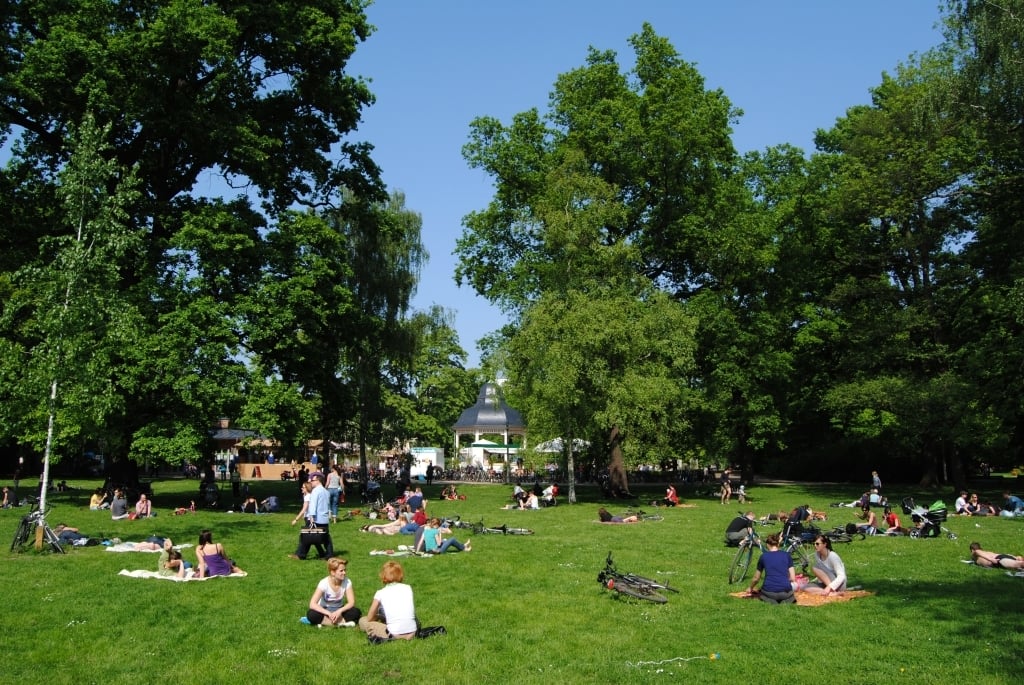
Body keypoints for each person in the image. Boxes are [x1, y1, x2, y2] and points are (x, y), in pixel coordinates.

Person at [358, 560, 418, 641]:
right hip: (413, 632)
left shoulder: (380, 593)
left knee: (364, 621)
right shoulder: (408, 588)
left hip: (393, 634)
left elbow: (369, 618)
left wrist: (376, 617)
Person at [304, 557, 362, 627]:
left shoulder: (347, 582)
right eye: (341, 571)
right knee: (311, 614)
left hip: (339, 609)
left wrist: (339, 611)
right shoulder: (323, 583)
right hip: (325, 610)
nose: (344, 573)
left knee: (356, 612)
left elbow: (351, 602)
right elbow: (312, 604)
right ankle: (340, 623)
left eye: (345, 570)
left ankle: (326, 623)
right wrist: (328, 613)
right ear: (333, 572)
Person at [290, 472, 333, 560]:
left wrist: (312, 517)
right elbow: (328, 505)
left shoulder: (315, 491)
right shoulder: (326, 491)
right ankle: (329, 555)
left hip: (316, 518)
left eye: (312, 480)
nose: (311, 482)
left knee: (305, 536)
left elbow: (313, 505)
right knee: (326, 538)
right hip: (324, 518)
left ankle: (301, 555)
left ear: (318, 481)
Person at [746, 532, 796, 604]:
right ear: (778, 544)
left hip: (769, 592)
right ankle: (786, 600)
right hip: (786, 593)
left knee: (763, 594)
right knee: (789, 595)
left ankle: (770, 600)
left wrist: (750, 588)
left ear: (767, 544)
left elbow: (756, 578)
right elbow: (792, 578)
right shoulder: (786, 555)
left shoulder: (764, 557)